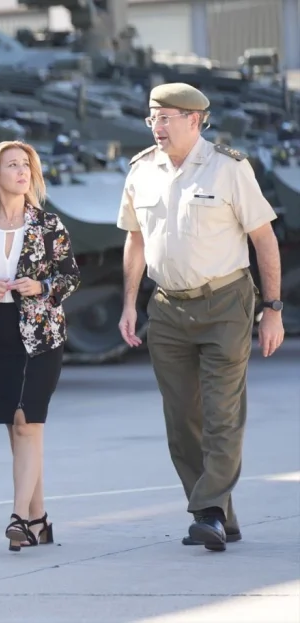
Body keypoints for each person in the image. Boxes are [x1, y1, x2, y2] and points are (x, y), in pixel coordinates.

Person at [117, 83, 285, 552]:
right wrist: (130, 303)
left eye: (167, 117)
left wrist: (271, 310)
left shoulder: (229, 169)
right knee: (181, 421)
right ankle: (219, 514)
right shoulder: (140, 171)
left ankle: (207, 511)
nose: (157, 125)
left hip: (225, 304)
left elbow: (264, 240)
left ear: (195, 120)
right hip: (167, 307)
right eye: (152, 116)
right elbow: (135, 240)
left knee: (221, 414)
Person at [0, 140, 80, 552]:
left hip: (40, 332)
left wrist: (40, 285)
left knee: (28, 422)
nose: (22, 172)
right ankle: (40, 519)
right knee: (16, 429)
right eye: (12, 165)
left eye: (26, 165)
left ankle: (19, 518)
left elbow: (70, 277)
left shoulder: (48, 225)